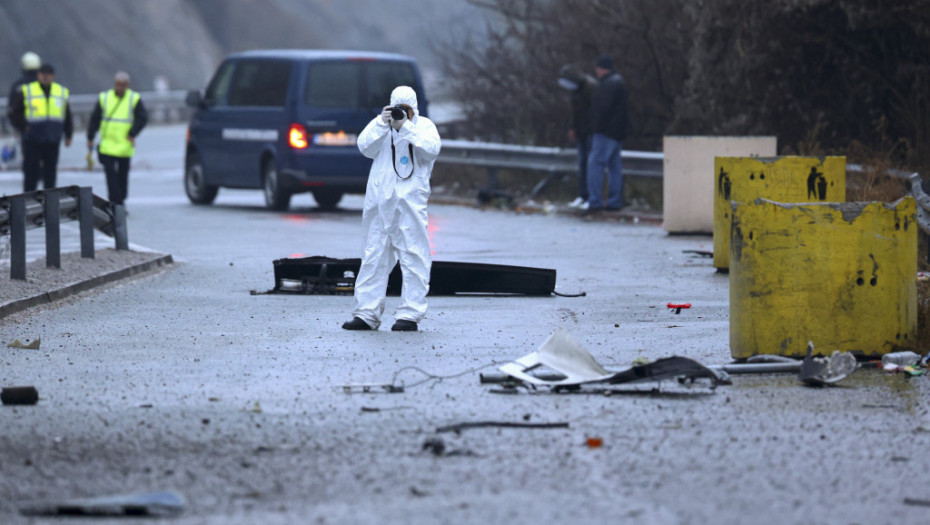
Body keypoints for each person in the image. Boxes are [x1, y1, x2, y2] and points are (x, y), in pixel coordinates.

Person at [342, 86, 441, 332]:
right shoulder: (381, 127)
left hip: (409, 204)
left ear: (414, 108)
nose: (400, 113)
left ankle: (410, 314)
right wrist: (381, 122)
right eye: (397, 109)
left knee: (413, 256)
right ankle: (366, 314)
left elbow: (431, 150)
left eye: (405, 109)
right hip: (379, 203)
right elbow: (364, 147)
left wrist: (405, 127)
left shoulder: (423, 127)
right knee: (373, 256)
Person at [86, 71, 148, 206]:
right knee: (110, 175)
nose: (119, 88)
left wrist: (132, 133)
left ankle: (121, 199)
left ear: (127, 85)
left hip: (124, 144)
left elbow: (142, 118)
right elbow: (95, 119)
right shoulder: (105, 97)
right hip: (107, 144)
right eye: (117, 84)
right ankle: (116, 202)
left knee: (122, 175)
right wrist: (90, 136)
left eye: (122, 85)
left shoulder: (134, 98)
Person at [9, 63, 73, 192]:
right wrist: (24, 126)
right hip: (33, 139)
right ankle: (27, 203)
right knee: (31, 173)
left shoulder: (60, 92)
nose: (45, 77)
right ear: (38, 75)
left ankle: (50, 205)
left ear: (53, 76)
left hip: (52, 138)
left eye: (48, 75)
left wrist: (68, 134)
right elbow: (14, 112)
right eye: (43, 74)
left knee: (50, 175)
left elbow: (66, 115)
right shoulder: (28, 91)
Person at [585, 54, 628, 214]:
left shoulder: (607, 84)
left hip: (605, 132)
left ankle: (595, 201)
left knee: (595, 164)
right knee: (614, 166)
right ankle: (614, 202)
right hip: (617, 133)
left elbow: (602, 109)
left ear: (602, 68)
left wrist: (595, 126)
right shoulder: (619, 82)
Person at [557, 64, 597, 210]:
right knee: (582, 163)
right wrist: (573, 127)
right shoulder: (576, 90)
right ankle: (583, 195)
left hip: (591, 131)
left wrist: (590, 129)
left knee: (590, 164)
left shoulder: (590, 87)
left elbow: (593, 112)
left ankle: (591, 197)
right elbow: (576, 111)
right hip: (581, 131)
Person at [5, 52, 41, 134]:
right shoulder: (44, 84)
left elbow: (11, 107)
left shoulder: (18, 85)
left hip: (24, 128)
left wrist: (19, 126)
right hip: (44, 128)